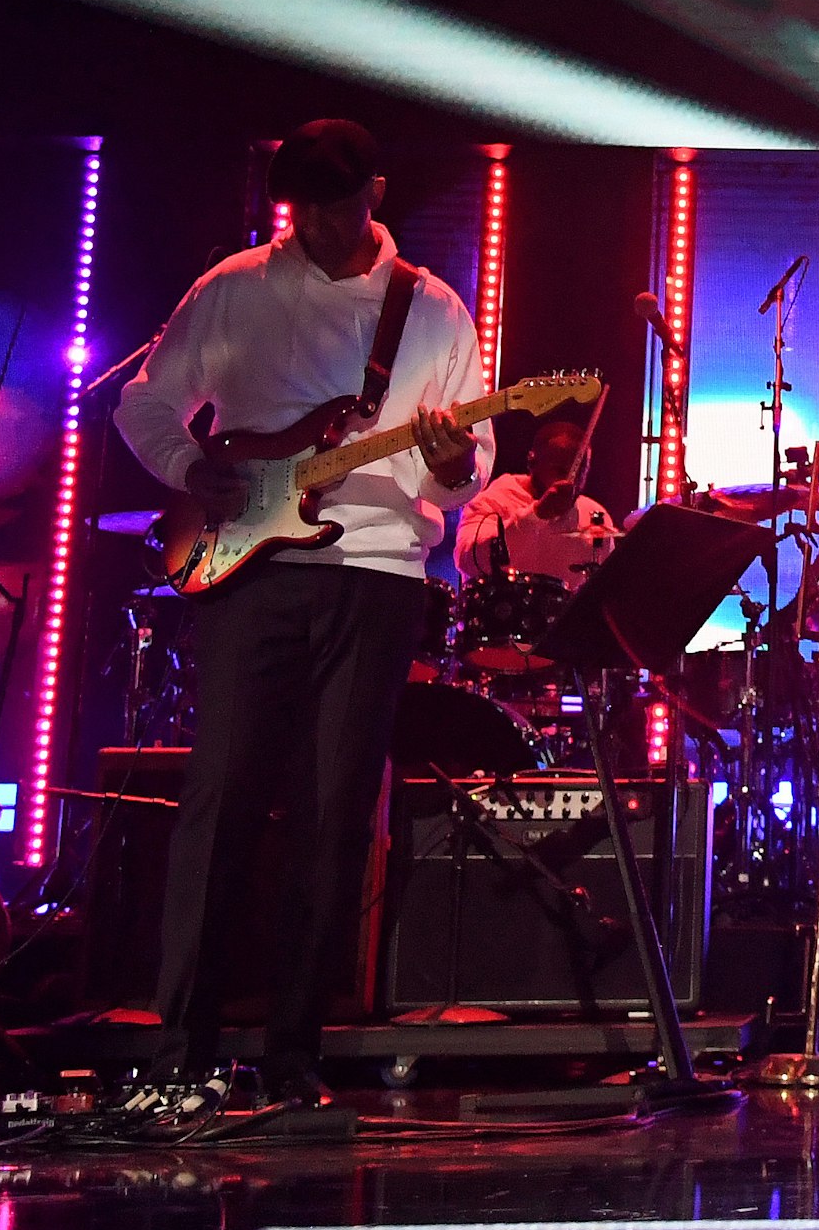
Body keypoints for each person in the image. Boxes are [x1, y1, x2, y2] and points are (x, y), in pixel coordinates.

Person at [116, 120, 490, 1097]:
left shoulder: (434, 309)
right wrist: (198, 466)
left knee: (333, 815)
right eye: (305, 204)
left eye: (340, 200)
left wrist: (453, 462)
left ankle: (293, 1051)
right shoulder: (233, 287)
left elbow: (460, 477)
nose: (323, 223)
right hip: (251, 568)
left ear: (375, 190)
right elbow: (144, 403)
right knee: (221, 796)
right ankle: (182, 1049)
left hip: (377, 573)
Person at [457, 401, 619, 582]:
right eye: (560, 471)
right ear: (532, 462)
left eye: (581, 471)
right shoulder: (494, 500)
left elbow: (607, 585)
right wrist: (536, 515)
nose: (571, 481)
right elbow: (468, 561)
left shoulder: (594, 515)